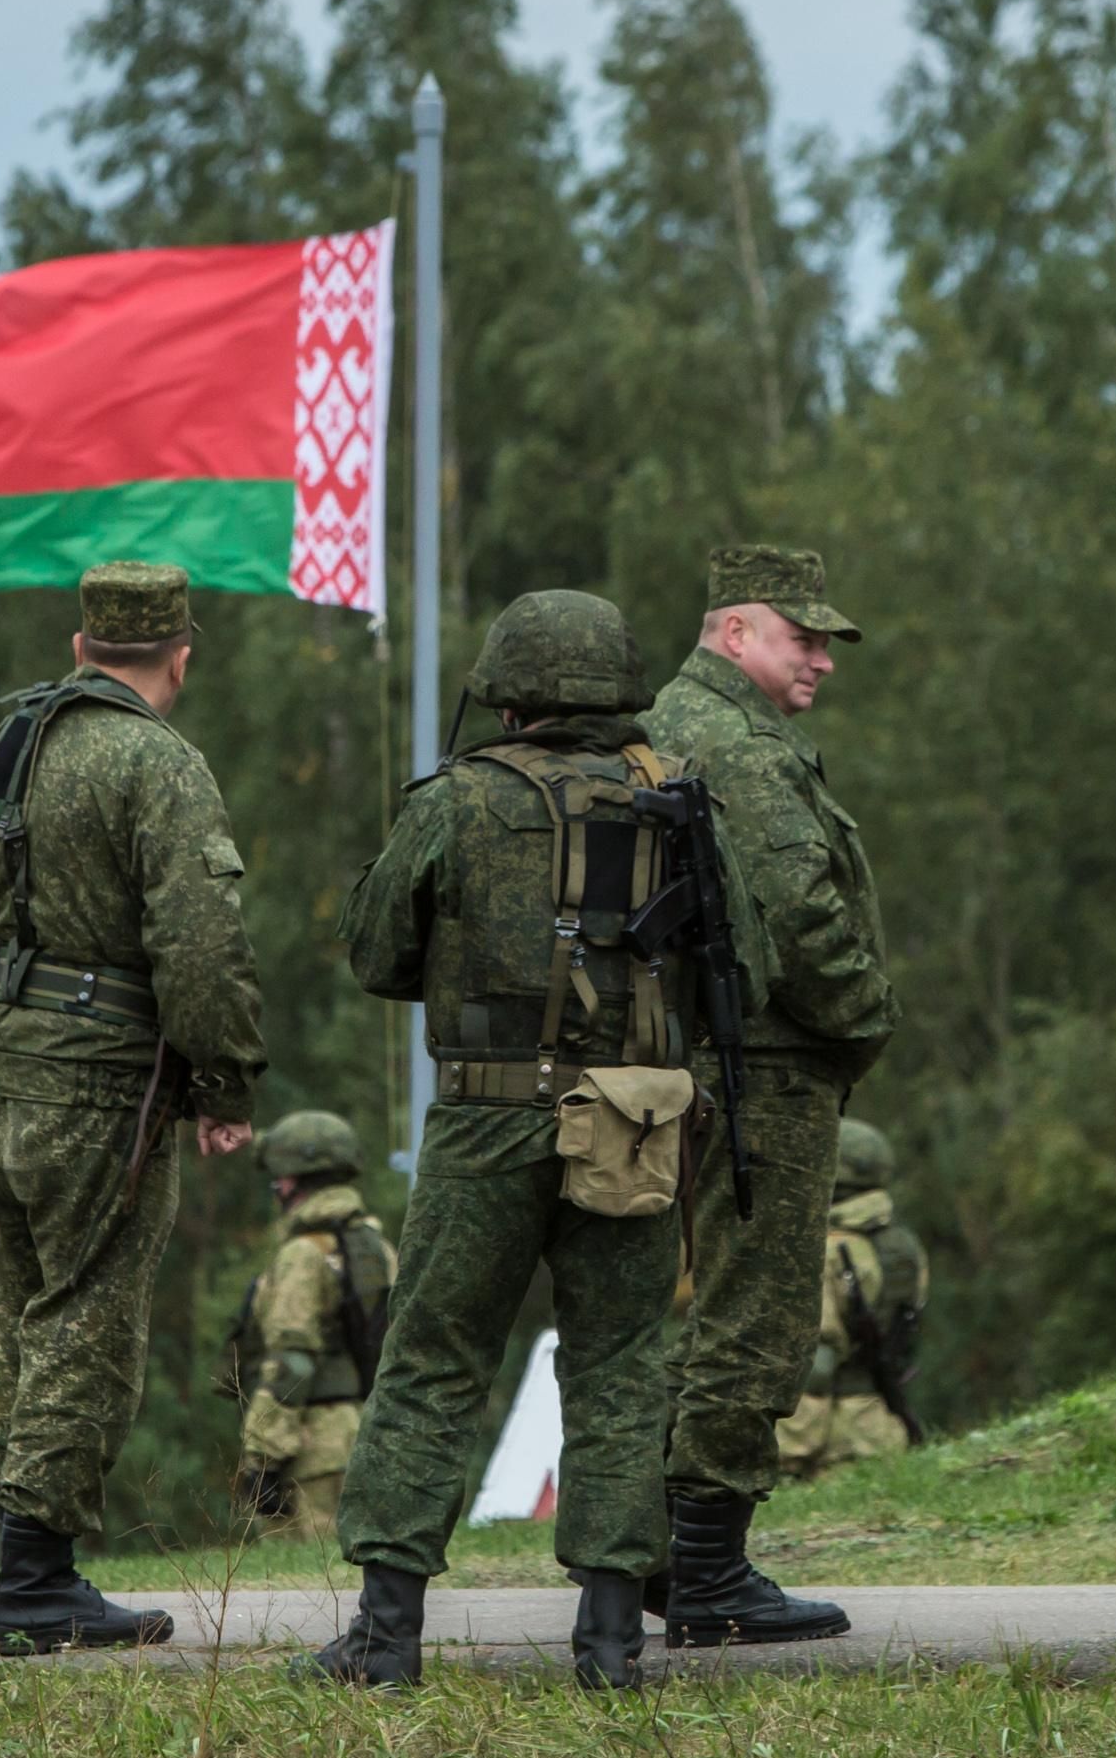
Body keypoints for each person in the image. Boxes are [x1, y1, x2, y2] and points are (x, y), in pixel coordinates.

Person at [308, 590, 773, 1692]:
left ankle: (385, 1637)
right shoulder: (675, 802)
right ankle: (611, 1645)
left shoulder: (458, 800)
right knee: (620, 1368)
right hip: (635, 1122)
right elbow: (739, 961)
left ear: (507, 689)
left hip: (487, 1114)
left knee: (431, 1362)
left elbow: (375, 952)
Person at [0, 558, 266, 1653]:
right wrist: (222, 1083)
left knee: (25, 1315)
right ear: (181, 654)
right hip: (102, 1083)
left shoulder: (4, 747)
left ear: (80, 649)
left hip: (8, 1072)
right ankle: (37, 1586)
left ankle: (26, 1561)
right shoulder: (158, 765)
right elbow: (202, 944)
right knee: (88, 1320)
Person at [639, 543, 886, 1645]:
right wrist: (863, 1016)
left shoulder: (665, 724)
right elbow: (797, 908)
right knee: (759, 1309)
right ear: (734, 631)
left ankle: (659, 1547)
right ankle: (705, 1572)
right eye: (803, 636)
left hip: (692, 1055)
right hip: (763, 1061)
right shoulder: (733, 742)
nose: (822, 660)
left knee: (704, 1305)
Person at [227, 1111, 392, 1540]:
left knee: (303, 1589)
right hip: (366, 1437)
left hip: (310, 1449)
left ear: (291, 1182)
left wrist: (261, 1458)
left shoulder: (303, 1254)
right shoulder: (375, 1246)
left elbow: (291, 1363)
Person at [775, 1118, 928, 1484]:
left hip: (831, 1443)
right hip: (883, 1432)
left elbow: (817, 1363)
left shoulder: (828, 1251)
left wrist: (782, 1453)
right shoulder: (903, 1246)